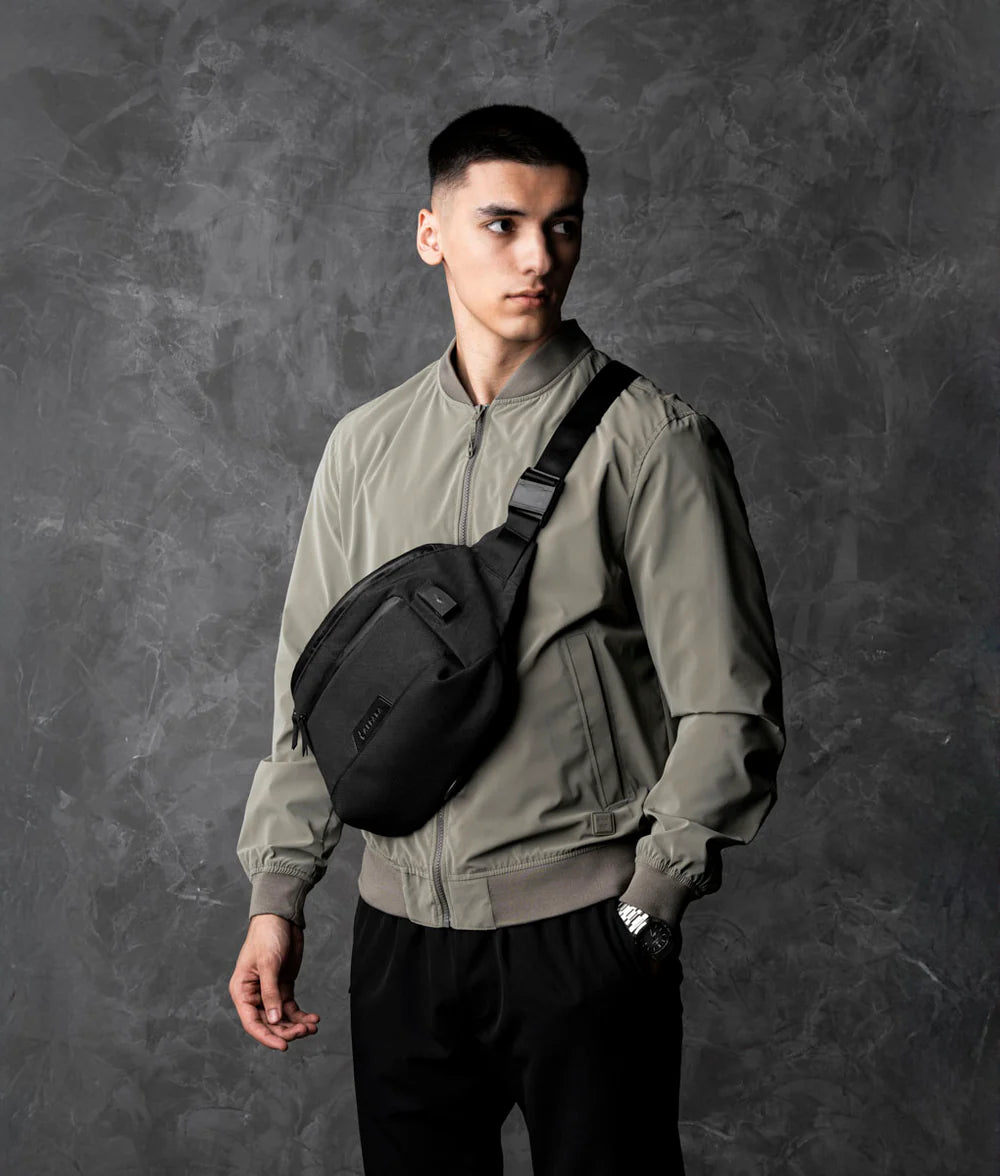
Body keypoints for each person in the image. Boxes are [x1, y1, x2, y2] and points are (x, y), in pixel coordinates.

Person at [229, 103, 786, 1175]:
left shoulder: (651, 440)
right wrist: (277, 896)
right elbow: (314, 703)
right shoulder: (364, 447)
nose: (540, 257)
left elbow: (730, 706)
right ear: (431, 234)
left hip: (581, 935)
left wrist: (648, 906)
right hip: (397, 942)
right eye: (503, 224)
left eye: (563, 226)